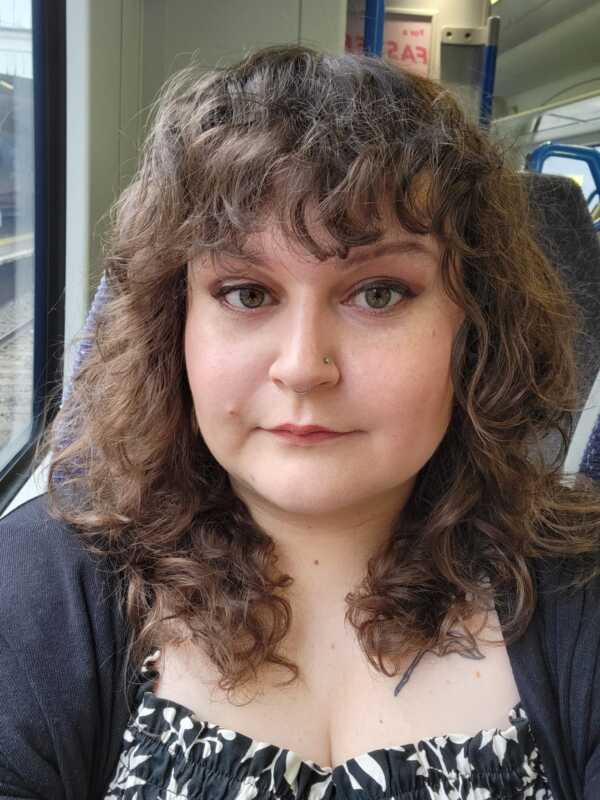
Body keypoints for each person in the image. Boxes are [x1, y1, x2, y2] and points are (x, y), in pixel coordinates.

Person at [1, 44, 599, 800]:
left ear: (474, 326)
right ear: (173, 328)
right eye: (248, 294)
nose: (303, 366)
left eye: (378, 293)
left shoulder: (582, 589)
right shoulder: (33, 594)